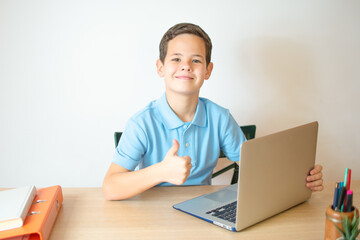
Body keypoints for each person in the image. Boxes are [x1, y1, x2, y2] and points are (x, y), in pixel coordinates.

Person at [102, 23, 323, 200]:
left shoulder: (220, 118)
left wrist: (299, 178)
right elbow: (110, 188)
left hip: (202, 211)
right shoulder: (141, 123)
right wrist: (160, 172)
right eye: (176, 58)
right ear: (161, 67)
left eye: (196, 60)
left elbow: (257, 167)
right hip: (152, 216)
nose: (186, 66)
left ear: (208, 70)